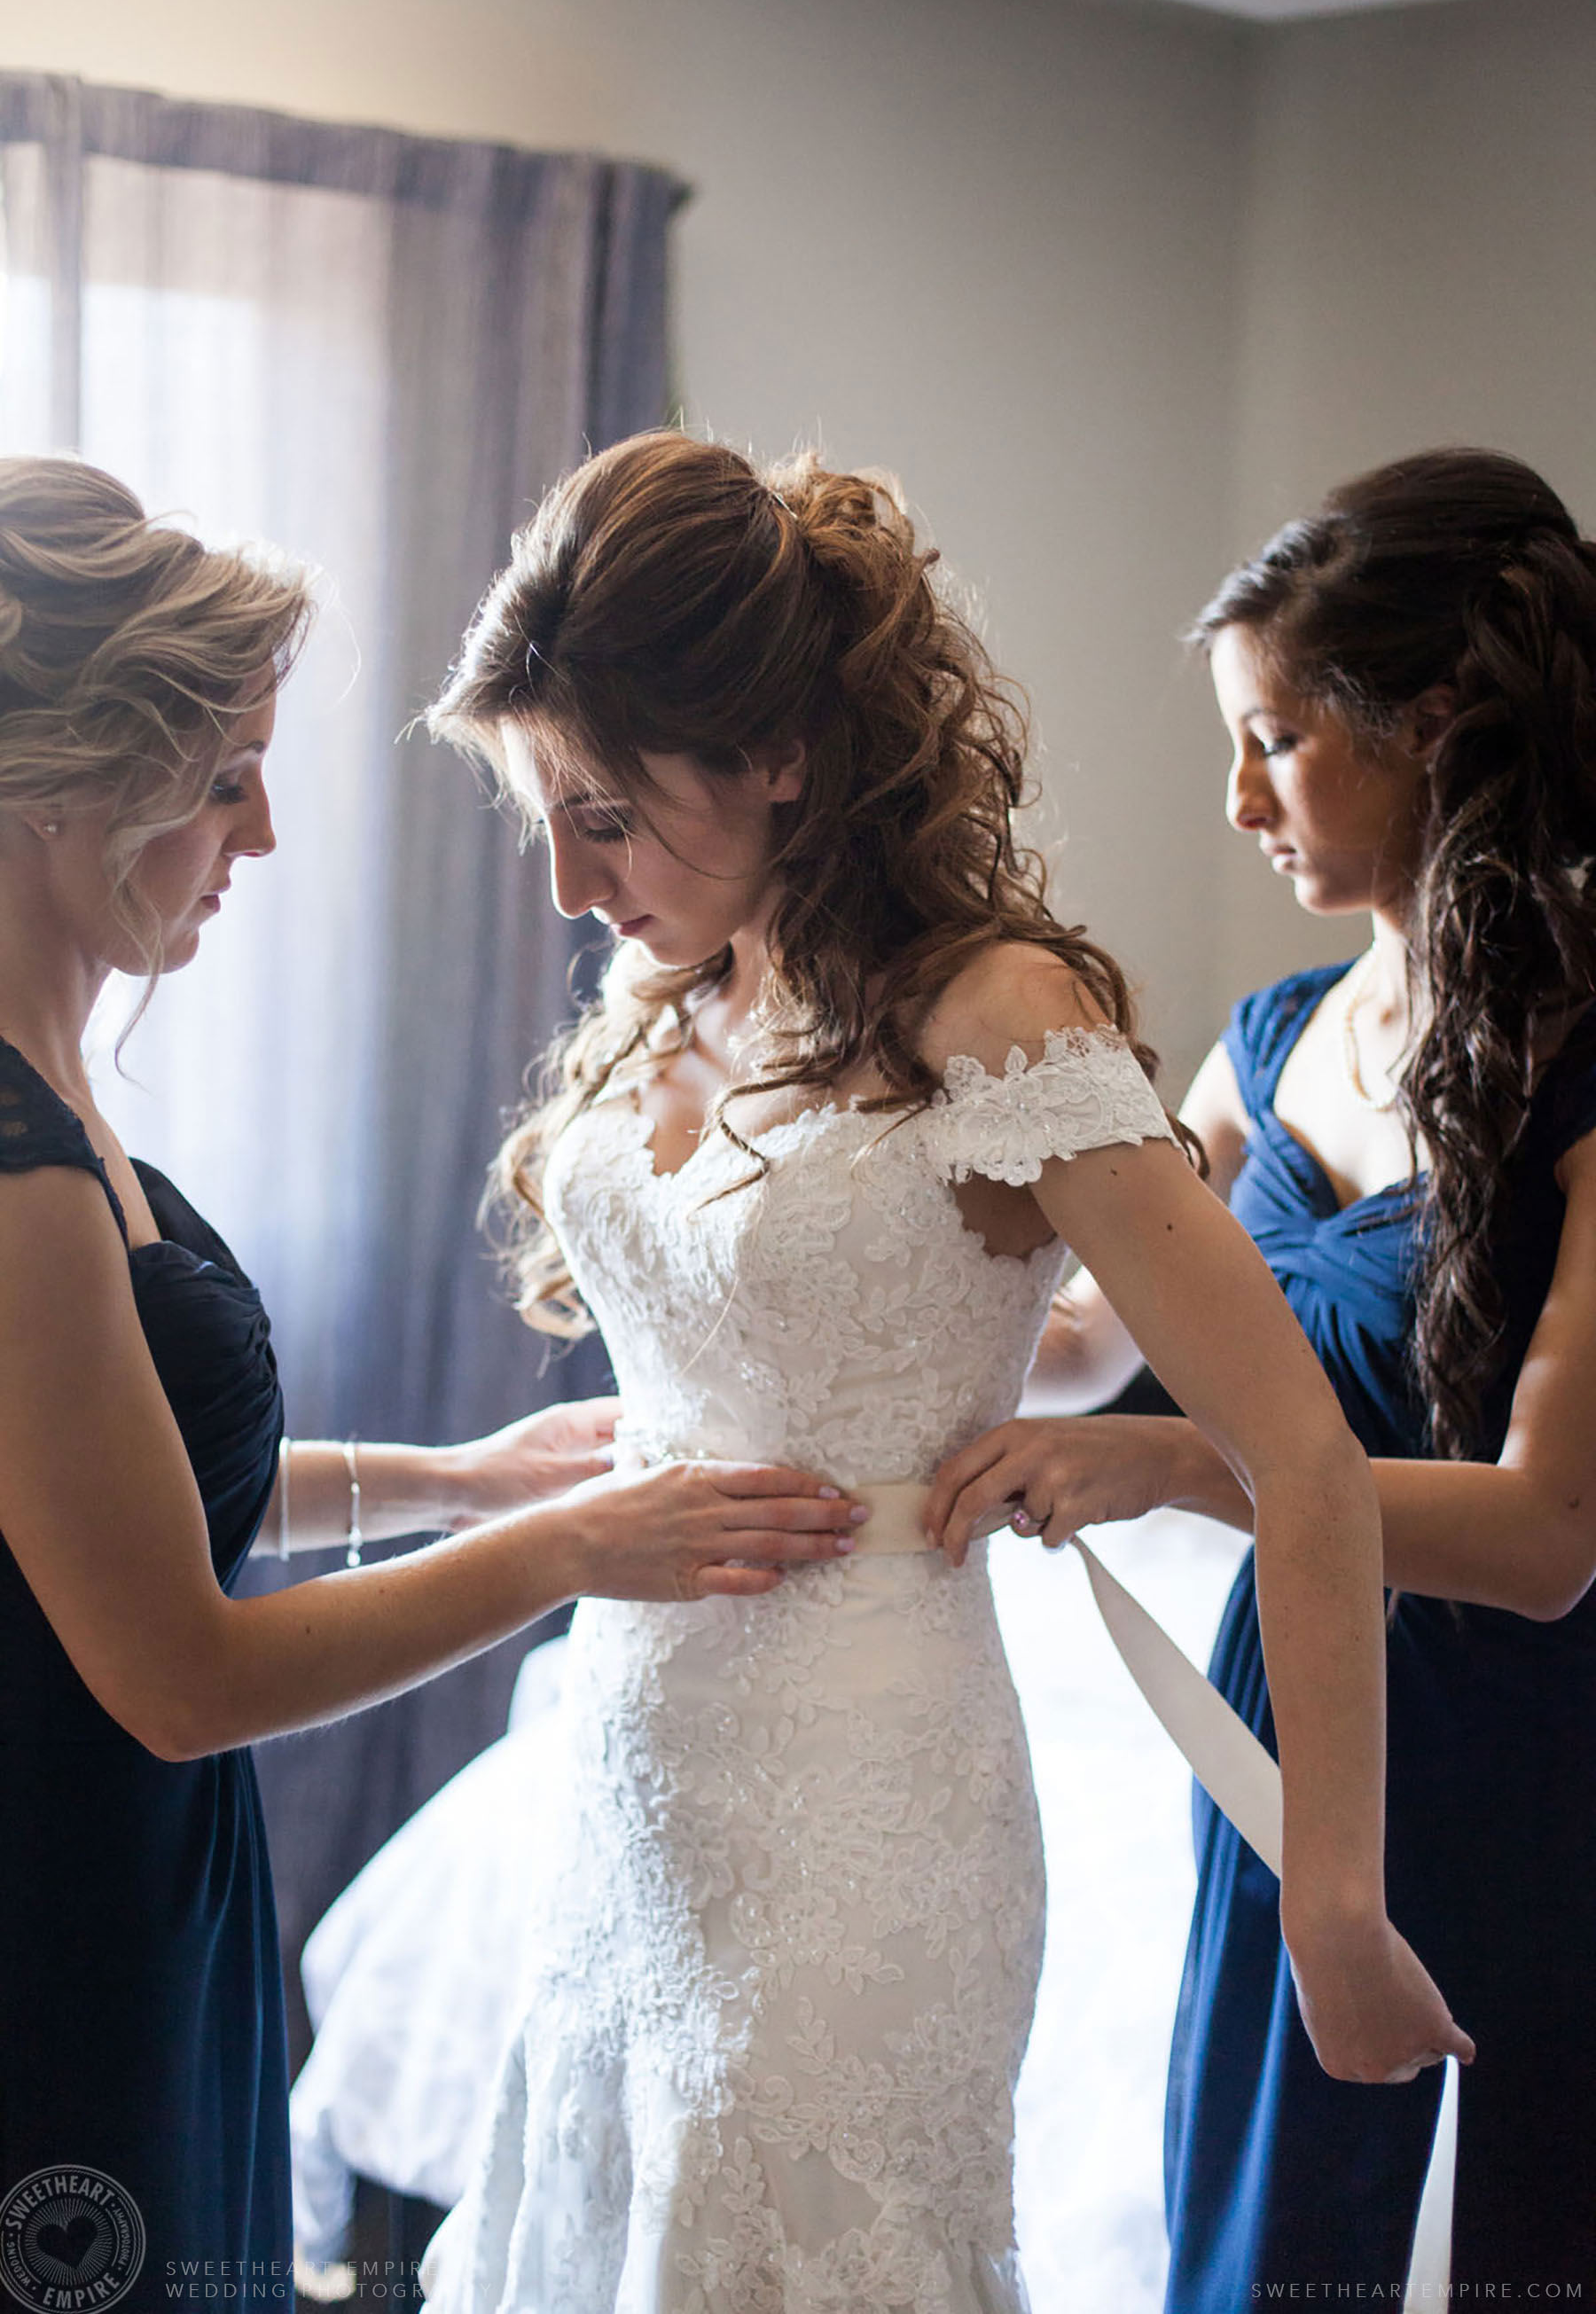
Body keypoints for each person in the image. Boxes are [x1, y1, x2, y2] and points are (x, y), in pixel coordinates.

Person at [414, 430, 1465, 2314]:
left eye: (606, 814)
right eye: (541, 820)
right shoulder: (680, 977)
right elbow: (991, 1327)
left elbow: (1300, 1461)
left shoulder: (997, 1012)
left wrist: (1334, 1898)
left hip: (873, 1797)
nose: (571, 886)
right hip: (638, 1765)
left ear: (783, 758)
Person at [0, 455, 865, 2296]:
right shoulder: (5, 1166)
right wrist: (577, 1552)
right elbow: (180, 1670)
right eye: (228, 778)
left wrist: (472, 1480)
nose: (262, 838)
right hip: (52, 1898)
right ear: (81, 776)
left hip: (136, 1869)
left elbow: (129, 1482)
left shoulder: (57, 1088)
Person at [927, 447, 1596, 2300]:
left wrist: (1180, 1475)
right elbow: (1090, 1350)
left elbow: (1550, 1538)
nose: (1236, 800)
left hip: (1526, 1762)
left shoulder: (1587, 1067)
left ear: (1439, 725)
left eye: (1277, 737)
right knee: (1270, 2234)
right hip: (1289, 1725)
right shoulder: (1270, 1041)